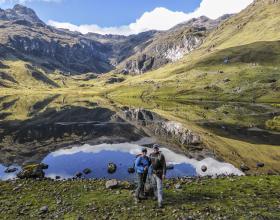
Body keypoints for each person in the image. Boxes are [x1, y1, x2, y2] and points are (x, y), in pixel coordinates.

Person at [150, 144, 166, 208]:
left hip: (159, 174)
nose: (155, 149)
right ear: (153, 148)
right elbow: (149, 162)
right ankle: (156, 196)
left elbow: (164, 166)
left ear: (158, 149)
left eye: (156, 148)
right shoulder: (151, 155)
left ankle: (160, 202)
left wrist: (164, 174)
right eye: (154, 148)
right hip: (153, 174)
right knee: (154, 186)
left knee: (159, 188)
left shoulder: (161, 156)